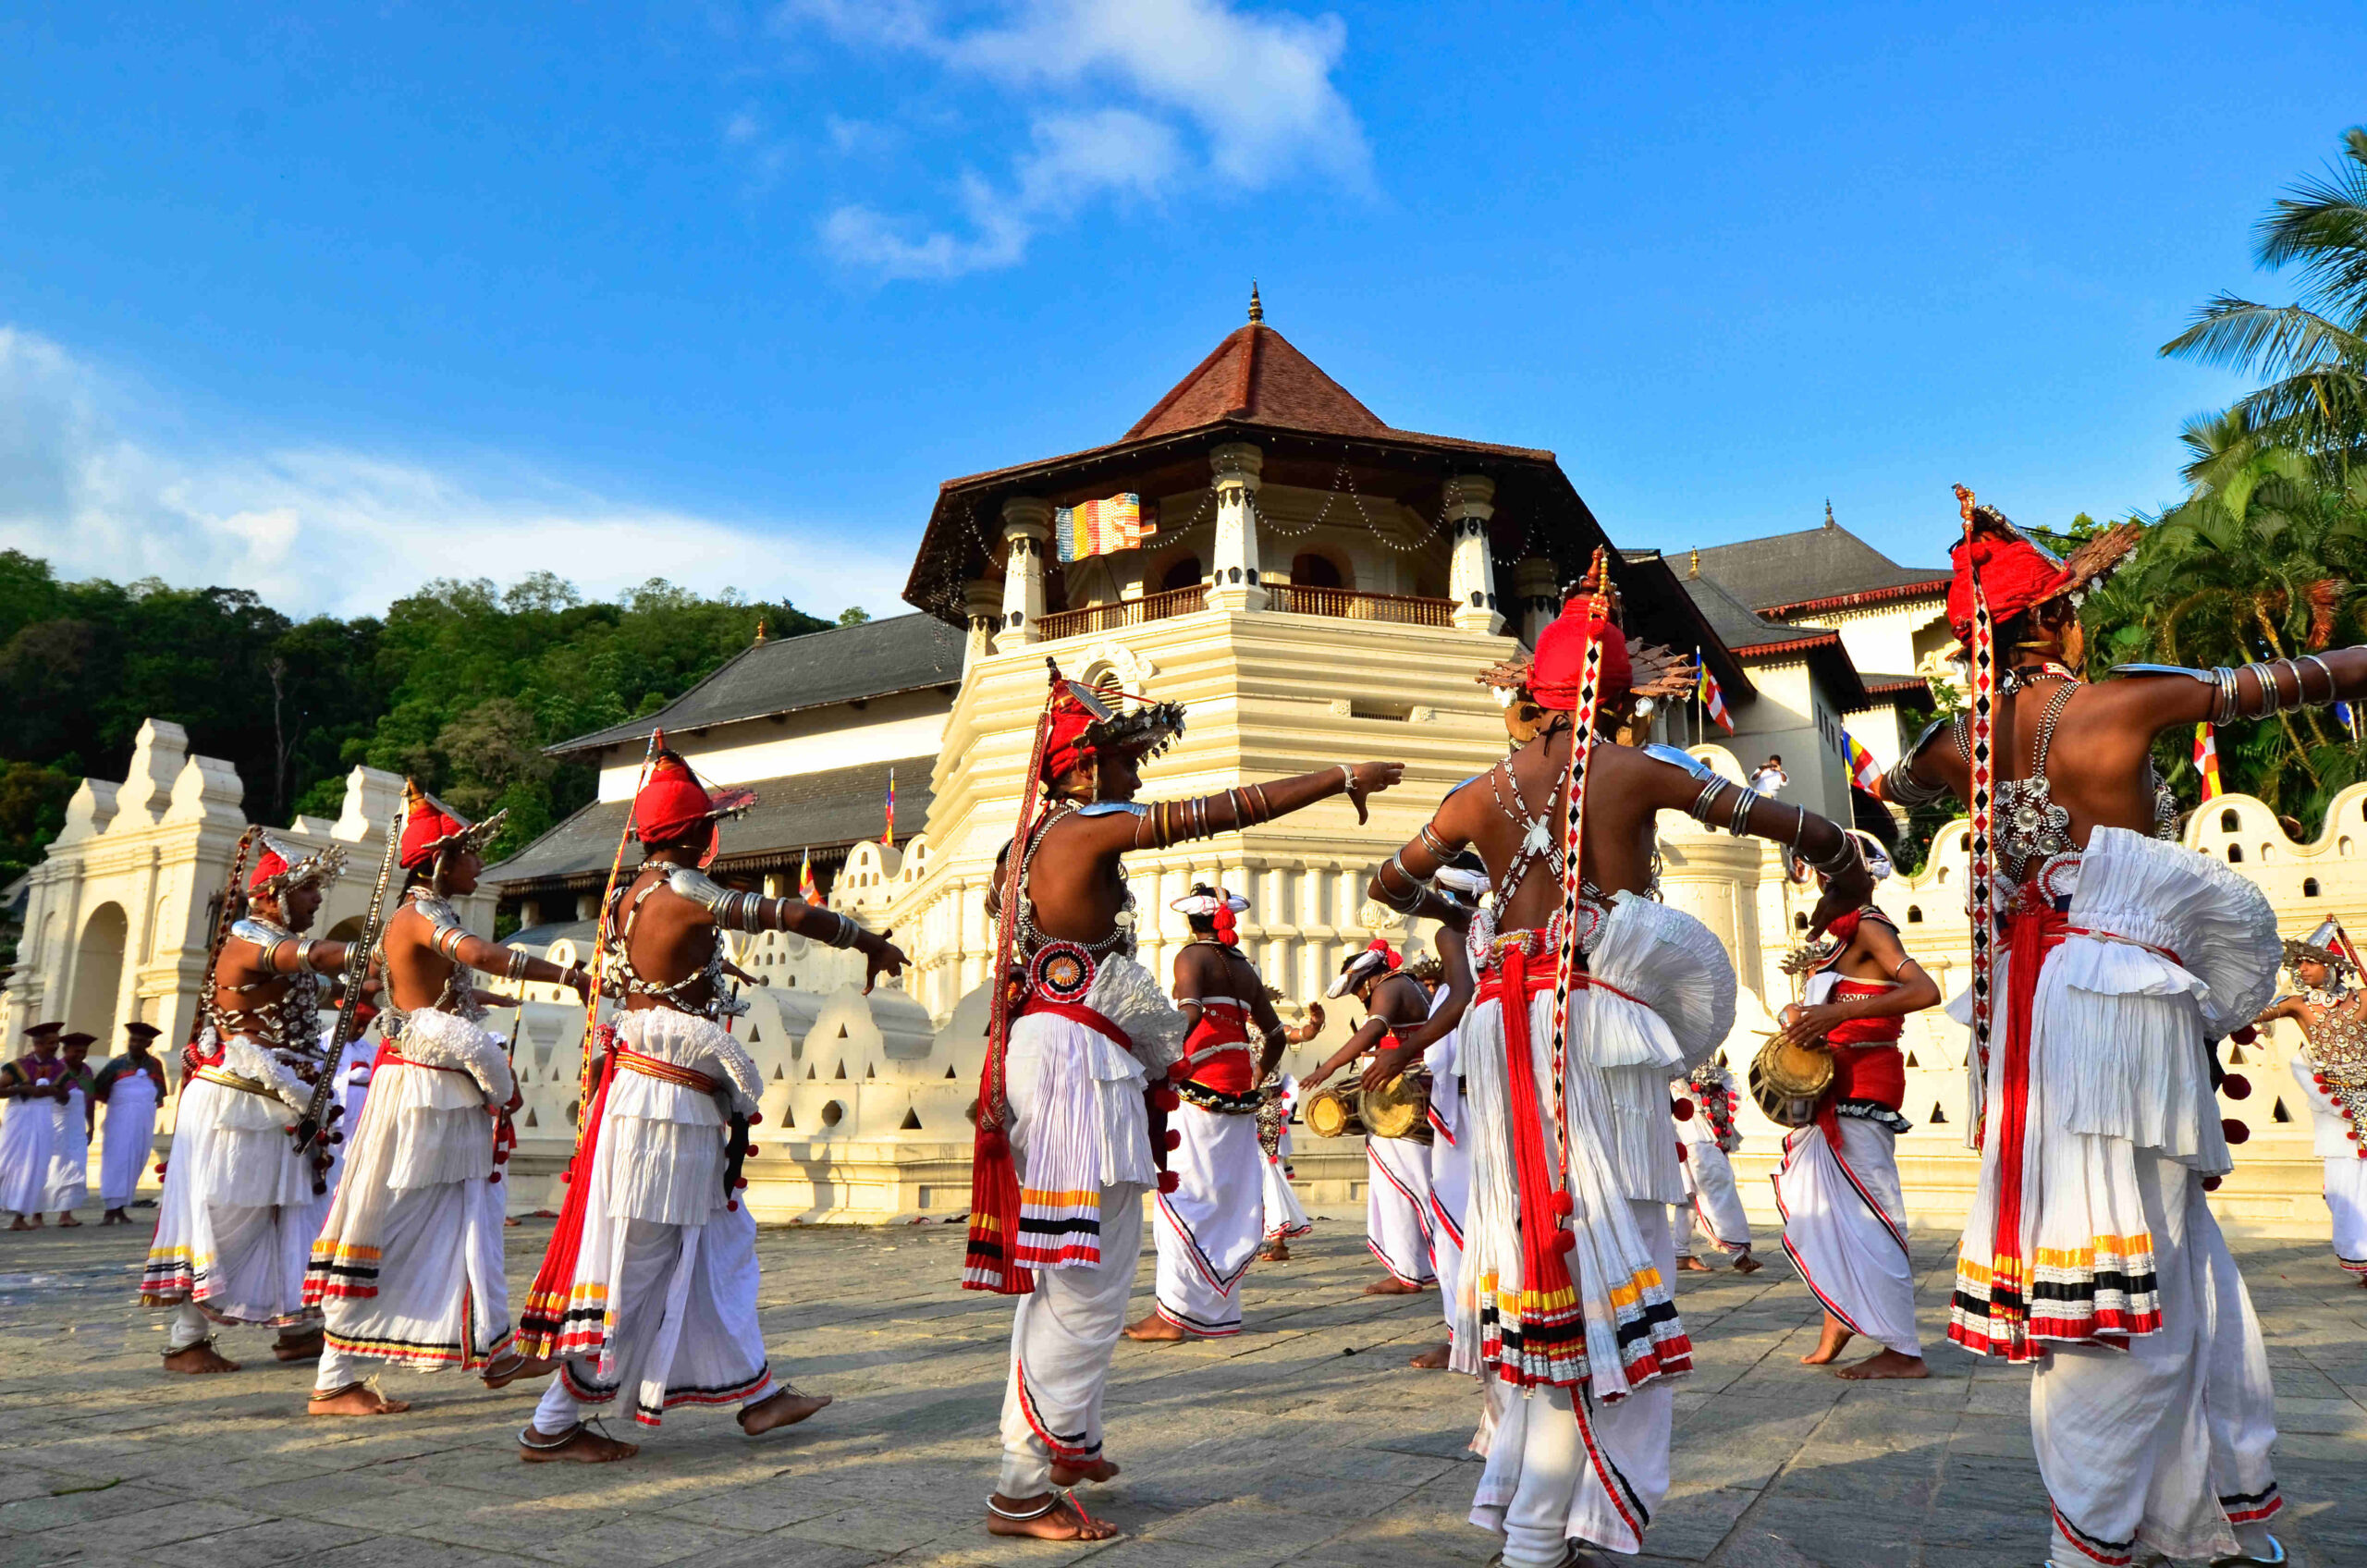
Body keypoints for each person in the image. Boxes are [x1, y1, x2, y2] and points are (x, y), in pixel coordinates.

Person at [1367, 566, 1871, 1566]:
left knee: (1529, 1231)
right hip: (1594, 1017)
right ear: (1610, 698)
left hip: (1506, 1027)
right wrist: (1842, 857)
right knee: (1615, 1229)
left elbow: (1391, 879)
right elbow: (1787, 824)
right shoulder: (1634, 771)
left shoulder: (1477, 794)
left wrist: (1477, 913)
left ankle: (1535, 1510)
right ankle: (1578, 1511)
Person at [1881, 488, 2292, 1568]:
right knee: (2132, 1278)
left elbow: (1889, 778)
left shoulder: (1962, 739)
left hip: (2033, 1011)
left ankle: (2165, 1521)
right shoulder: (2118, 705)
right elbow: (2297, 680)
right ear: (2060, 623)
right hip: (2118, 1009)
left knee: (2117, 1261)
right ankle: (2098, 1537)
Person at [964, 671, 1401, 1544]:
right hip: (1072, 1072)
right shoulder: (1084, 827)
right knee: (1084, 1284)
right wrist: (1335, 777)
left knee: (1075, 1271)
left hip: (1062, 1058)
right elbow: (1217, 811)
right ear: (1081, 770)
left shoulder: (1026, 844)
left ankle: (1069, 1439)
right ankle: (1020, 1486)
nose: (1134, 778)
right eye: (1122, 761)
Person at [517, 745, 905, 1463]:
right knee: (639, 1266)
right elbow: (782, 911)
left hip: (664, 1101)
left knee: (717, 1248)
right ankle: (553, 1422)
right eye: (711, 827)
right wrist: (867, 940)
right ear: (698, 836)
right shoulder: (687, 895)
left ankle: (755, 1396)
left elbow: (652, 977)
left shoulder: (629, 895)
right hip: (662, 1112)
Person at [303, 782, 595, 1415]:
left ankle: (489, 1347)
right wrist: (568, 974)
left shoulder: (427, 915)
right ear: (438, 860)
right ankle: (334, 1376)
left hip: (444, 1093)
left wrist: (485, 1004)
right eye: (469, 854)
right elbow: (485, 957)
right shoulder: (424, 916)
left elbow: (433, 994)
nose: (480, 866)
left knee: (471, 1223)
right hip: (426, 1096)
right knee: (397, 1225)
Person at [141, 833, 356, 1374]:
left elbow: (320, 976)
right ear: (269, 894)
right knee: (228, 1217)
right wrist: (374, 947)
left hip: (285, 1106)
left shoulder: (278, 944)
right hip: (240, 1105)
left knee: (290, 1216)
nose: (315, 901)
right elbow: (313, 957)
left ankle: (299, 1328)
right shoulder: (249, 941)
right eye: (307, 890)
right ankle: (186, 1339)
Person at [1768, 831, 1938, 1378]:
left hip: (1865, 1083)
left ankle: (1903, 1351)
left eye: (1826, 872)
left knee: (1870, 1212)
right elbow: (1842, 1001)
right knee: (1823, 1209)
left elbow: (1925, 990)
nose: (1816, 879)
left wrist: (1835, 1017)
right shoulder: (1840, 942)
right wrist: (1803, 1014)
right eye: (1814, 870)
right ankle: (1840, 1314)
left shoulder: (1870, 924)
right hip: (1831, 1087)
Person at [1123, 885, 1316, 1341]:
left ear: (1192, 923)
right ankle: (1214, 1312)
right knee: (1223, 1200)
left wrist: (1157, 1055)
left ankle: (1171, 1317)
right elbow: (1275, 1035)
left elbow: (1189, 1013)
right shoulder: (1244, 968)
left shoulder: (1192, 957)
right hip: (1238, 1098)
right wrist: (1255, 1075)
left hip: (1196, 1088)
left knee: (1183, 1197)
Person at [1302, 940, 1439, 1297]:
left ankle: (1409, 1271)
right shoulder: (1408, 984)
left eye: (1359, 992)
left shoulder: (1390, 986)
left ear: (1368, 979)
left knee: (1402, 1188)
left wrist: (1328, 1067)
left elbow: (1373, 1030)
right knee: (1417, 1185)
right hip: (1409, 1096)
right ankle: (1421, 1266)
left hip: (1400, 1102)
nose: (1361, 1000)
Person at [2257, 920, 2367, 1285]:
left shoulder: (2362, 999)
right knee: (2343, 1186)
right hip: (2333, 1103)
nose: (2301, 969)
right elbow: (2259, 1013)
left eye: (2309, 962)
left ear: (2333, 964)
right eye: (2299, 963)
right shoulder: (2298, 1004)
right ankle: (2359, 1255)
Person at [1672, 1056, 1759, 1275]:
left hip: (1708, 1128)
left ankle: (1680, 1253)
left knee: (1692, 1195)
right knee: (1715, 1186)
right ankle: (1736, 1252)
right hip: (1688, 1127)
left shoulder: (1714, 1068)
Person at [93, 1022, 170, 1223]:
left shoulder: (155, 1065)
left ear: (148, 1043)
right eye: (132, 1040)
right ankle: (110, 1209)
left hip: (143, 1120)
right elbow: (99, 1088)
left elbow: (159, 1095)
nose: (134, 1044)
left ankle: (121, 1207)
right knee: (116, 1160)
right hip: (119, 1119)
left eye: (140, 1041)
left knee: (136, 1159)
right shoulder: (117, 1064)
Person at [0, 1022, 69, 1228]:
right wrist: (25, 1089)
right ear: (37, 1044)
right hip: (20, 1116)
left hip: (44, 1117)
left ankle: (20, 1218)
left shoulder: (59, 1068)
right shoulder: (19, 1065)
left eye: (56, 1043)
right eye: (50, 1043)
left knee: (35, 1166)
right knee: (7, 1162)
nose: (55, 1047)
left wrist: (54, 1092)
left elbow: (65, 1098)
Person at [1256, 1072, 1314, 1261]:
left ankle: (1278, 1243)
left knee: (1270, 1176)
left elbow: (1295, 1039)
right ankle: (1262, 1240)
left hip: (1267, 1110)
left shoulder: (1273, 1040)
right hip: (1243, 1103)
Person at [41, 1032, 96, 1226]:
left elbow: (90, 1100)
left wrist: (92, 1125)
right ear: (65, 1051)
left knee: (75, 1167)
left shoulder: (87, 1071)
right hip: (54, 1124)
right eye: (76, 1051)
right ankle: (37, 1214)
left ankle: (66, 1214)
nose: (80, 1054)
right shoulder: (55, 1069)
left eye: (84, 1051)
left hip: (77, 1127)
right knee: (49, 1166)